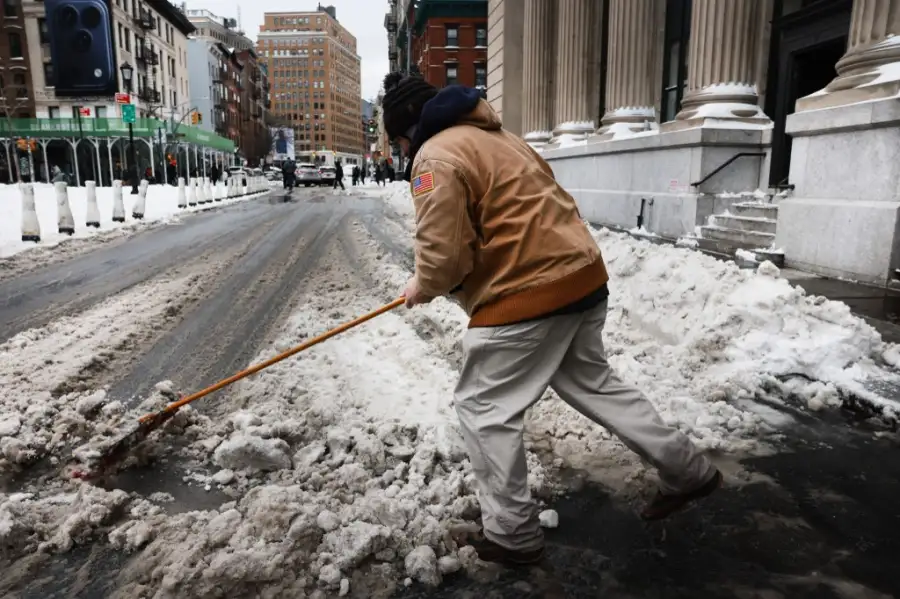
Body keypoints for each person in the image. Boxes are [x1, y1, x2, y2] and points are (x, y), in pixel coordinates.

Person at [380, 72, 722, 566]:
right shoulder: (502, 139)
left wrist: (423, 285)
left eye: (398, 139)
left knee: (483, 409)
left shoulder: (434, 159)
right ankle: (690, 472)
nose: (402, 148)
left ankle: (512, 534)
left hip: (526, 292)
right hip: (581, 276)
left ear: (410, 129)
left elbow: (443, 256)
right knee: (594, 381)